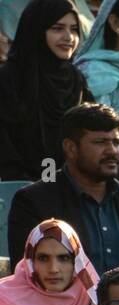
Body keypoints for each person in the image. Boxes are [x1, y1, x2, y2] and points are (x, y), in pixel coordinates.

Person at [6, 103, 119, 274]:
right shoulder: (35, 202)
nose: (112, 151)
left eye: (116, 142)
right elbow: (27, 276)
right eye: (100, 142)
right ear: (71, 148)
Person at [0, 0, 91, 181]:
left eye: (74, 29)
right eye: (57, 28)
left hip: (70, 191)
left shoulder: (76, 81)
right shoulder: (9, 79)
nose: (68, 37)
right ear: (36, 31)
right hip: (17, 192)